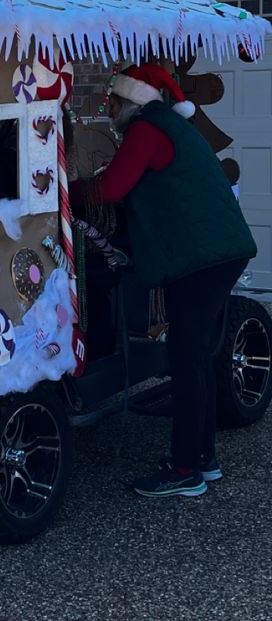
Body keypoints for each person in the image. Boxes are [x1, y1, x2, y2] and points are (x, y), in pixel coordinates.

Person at [74, 63, 256, 498]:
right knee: (198, 358)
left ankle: (183, 470)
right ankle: (203, 459)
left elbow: (114, 188)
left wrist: (67, 192)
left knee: (187, 360)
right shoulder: (169, 125)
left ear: (129, 101)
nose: (109, 108)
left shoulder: (147, 130)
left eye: (113, 102)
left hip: (200, 258)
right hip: (219, 252)